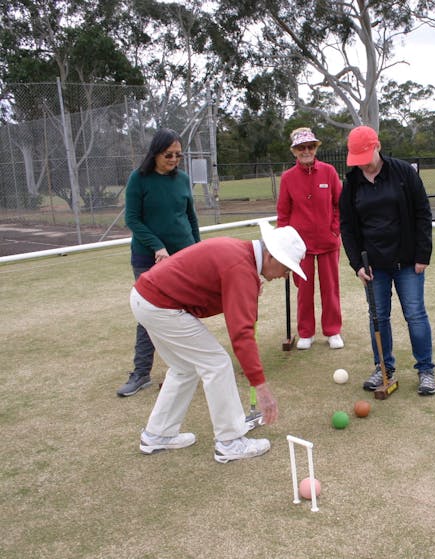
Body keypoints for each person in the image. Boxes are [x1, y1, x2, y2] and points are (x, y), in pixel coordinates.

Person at [130, 221, 307, 463]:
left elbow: (209, 296)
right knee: (217, 363)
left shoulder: (240, 256)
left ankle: (157, 434)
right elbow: (241, 334)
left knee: (184, 369)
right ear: (270, 256)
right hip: (160, 305)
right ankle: (230, 441)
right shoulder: (240, 268)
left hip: (145, 299)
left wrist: (248, 291)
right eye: (286, 268)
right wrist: (261, 386)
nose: (285, 276)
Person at [339, 126, 435, 396]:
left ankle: (426, 370)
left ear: (377, 147)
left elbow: (422, 213)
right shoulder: (352, 183)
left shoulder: (403, 173)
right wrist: (357, 264)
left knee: (415, 315)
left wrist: (422, 255)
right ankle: (383, 367)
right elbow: (347, 226)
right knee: (378, 318)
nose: (362, 164)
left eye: (365, 156)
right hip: (372, 265)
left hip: (407, 261)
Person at [117, 128, 200, 397]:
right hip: (147, 257)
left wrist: (198, 251)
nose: (174, 159)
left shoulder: (183, 179)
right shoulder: (138, 179)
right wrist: (158, 246)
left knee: (184, 314)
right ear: (155, 153)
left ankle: (183, 371)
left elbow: (191, 217)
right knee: (149, 314)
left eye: (178, 155)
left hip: (184, 255)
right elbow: (132, 219)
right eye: (169, 154)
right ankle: (141, 373)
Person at [277, 127, 344, 350]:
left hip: (328, 242)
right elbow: (283, 214)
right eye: (301, 147)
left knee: (330, 288)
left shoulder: (329, 172)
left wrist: (334, 230)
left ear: (315, 148)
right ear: (294, 151)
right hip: (299, 246)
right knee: (304, 291)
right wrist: (283, 246)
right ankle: (306, 332)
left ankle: (333, 330)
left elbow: (339, 205)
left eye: (310, 147)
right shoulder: (287, 178)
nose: (306, 151)